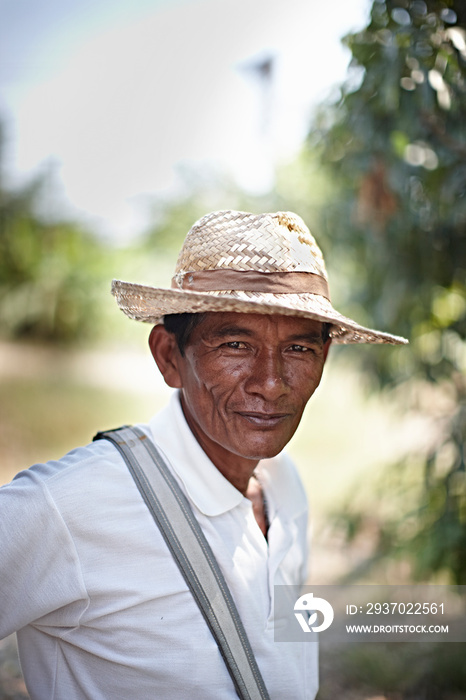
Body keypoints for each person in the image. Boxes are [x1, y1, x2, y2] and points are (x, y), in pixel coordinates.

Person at [0, 210, 406, 700]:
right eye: (235, 343)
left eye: (299, 349)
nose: (272, 384)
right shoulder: (69, 506)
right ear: (170, 356)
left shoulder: (284, 486)